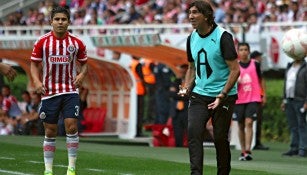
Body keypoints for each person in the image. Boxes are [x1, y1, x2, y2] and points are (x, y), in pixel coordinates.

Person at [179, 1, 240, 174]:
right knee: (193, 131)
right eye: (189, 12)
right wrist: (186, 87)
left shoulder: (223, 37)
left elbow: (235, 70)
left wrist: (222, 95)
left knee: (220, 138)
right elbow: (192, 67)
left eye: (195, 12)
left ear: (206, 16)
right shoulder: (191, 38)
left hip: (224, 96)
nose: (190, 16)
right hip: (199, 94)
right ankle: (196, 173)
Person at [30, 6, 88, 175]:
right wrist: (36, 81)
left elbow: (84, 64)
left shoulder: (77, 43)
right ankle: (48, 170)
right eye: (57, 19)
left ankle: (72, 168)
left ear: (69, 22)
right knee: (50, 131)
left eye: (63, 19)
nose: (60, 22)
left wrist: (82, 75)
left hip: (70, 90)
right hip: (49, 91)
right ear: (51, 22)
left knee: (71, 127)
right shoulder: (42, 42)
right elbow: (34, 63)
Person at [233, 43, 263, 161]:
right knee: (240, 125)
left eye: (246, 49)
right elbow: (229, 82)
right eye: (241, 50)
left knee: (249, 123)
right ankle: (243, 151)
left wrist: (262, 95)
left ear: (249, 51)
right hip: (239, 99)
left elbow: (260, 79)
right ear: (238, 52)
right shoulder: (235, 66)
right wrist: (236, 81)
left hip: (253, 98)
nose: (243, 52)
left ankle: (248, 150)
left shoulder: (255, 64)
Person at [280, 55, 307, 157]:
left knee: (302, 125)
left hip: (300, 100)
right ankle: (294, 148)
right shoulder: (289, 66)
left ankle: (303, 149)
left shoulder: (305, 67)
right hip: (289, 100)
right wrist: (284, 100)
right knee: (293, 126)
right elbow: (286, 84)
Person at [250, 50, 269, 150]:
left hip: (251, 96)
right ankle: (255, 142)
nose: (261, 59)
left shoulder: (251, 65)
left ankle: (254, 142)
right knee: (256, 120)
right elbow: (262, 81)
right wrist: (264, 95)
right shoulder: (256, 66)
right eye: (260, 57)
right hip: (255, 97)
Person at [169, 64, 189, 147]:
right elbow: (171, 94)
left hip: (187, 109)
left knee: (189, 131)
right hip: (176, 110)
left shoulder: (191, 82)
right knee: (177, 132)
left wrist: (179, 95)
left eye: (183, 71)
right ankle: (178, 146)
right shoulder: (176, 81)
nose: (181, 73)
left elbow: (187, 96)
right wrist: (181, 95)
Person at [130, 56, 146, 137]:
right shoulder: (138, 64)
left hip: (133, 91)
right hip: (139, 90)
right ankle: (138, 131)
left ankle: (133, 130)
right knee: (139, 112)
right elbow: (142, 78)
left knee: (134, 112)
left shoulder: (131, 63)